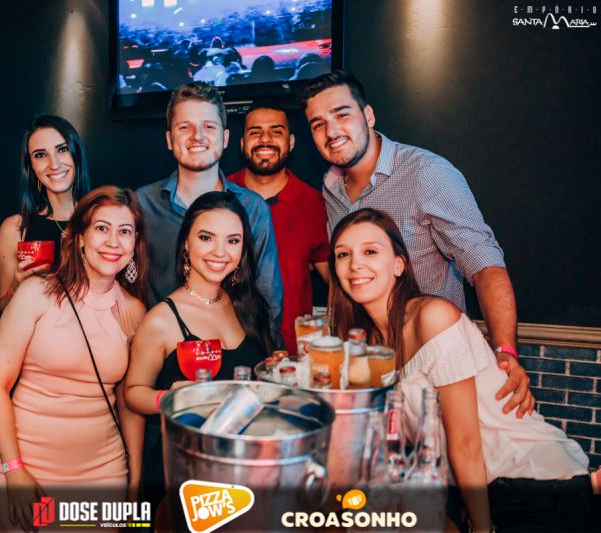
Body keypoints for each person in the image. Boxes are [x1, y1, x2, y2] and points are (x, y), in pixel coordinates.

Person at [328, 208, 599, 532]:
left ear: (399, 264)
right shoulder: (369, 342)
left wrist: (480, 528)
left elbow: (466, 443)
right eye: (343, 254)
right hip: (475, 492)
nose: (355, 264)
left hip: (536, 485)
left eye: (370, 251)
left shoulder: (433, 317)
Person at [300, 71, 533, 417]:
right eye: (318, 124)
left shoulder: (426, 173)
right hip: (377, 372)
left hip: (437, 365)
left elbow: (484, 264)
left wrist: (506, 352)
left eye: (342, 114)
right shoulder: (331, 187)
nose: (331, 131)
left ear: (368, 115)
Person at [0, 186, 148, 532]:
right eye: (102, 228)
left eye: (125, 231)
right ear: (80, 238)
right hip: (29, 467)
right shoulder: (37, 293)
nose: (113, 241)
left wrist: (135, 481)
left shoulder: (135, 313)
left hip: (103, 471)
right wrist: (14, 469)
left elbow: (128, 401)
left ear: (135, 244)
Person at [125, 191, 274, 509]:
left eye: (233, 241)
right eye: (207, 237)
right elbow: (133, 392)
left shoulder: (247, 305)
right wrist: (169, 397)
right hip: (185, 472)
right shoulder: (163, 319)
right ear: (186, 244)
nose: (220, 251)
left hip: (244, 467)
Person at [136, 81, 283, 346]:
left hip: (236, 355)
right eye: (185, 127)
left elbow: (268, 298)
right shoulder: (142, 205)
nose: (197, 136)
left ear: (225, 138)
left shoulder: (252, 208)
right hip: (163, 355)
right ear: (169, 139)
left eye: (209, 127)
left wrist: (267, 358)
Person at [227, 102, 330, 352]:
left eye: (276, 131)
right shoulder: (220, 196)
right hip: (230, 348)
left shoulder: (314, 203)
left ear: (291, 142)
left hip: (293, 355)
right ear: (242, 143)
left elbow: (337, 283)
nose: (265, 139)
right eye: (255, 132)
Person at [0, 114, 91, 310]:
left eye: (62, 150)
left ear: (76, 154)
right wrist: (16, 285)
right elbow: (4, 308)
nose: (54, 164)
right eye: (40, 155)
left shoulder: (100, 221)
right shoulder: (15, 228)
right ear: (31, 166)